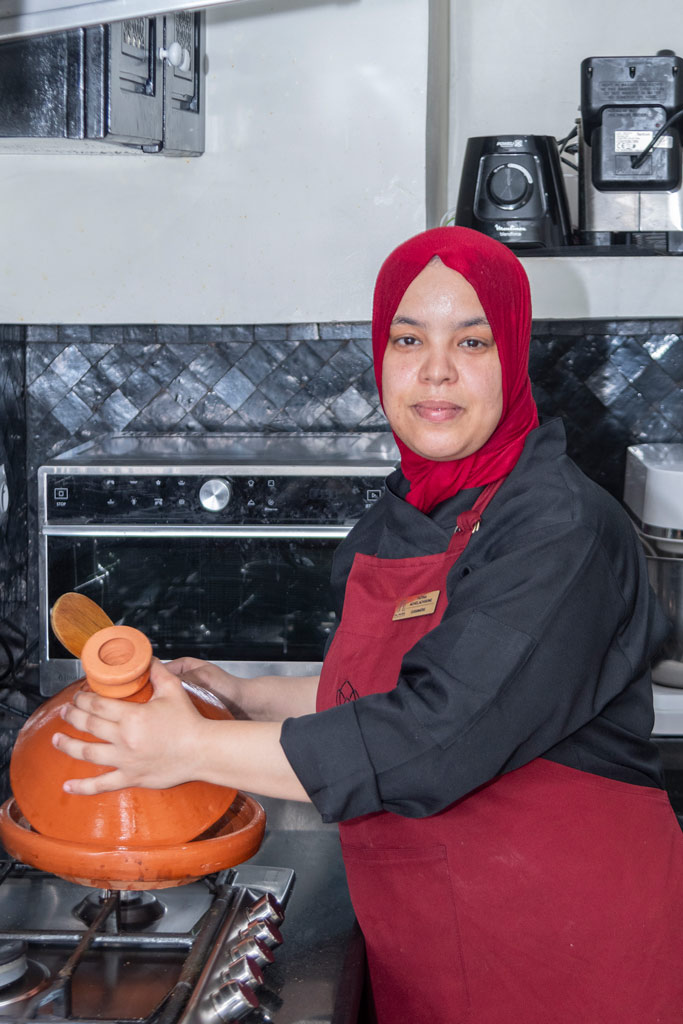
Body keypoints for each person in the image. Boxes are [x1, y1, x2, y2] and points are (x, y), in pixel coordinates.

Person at [53, 227, 683, 1024]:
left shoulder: (558, 529)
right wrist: (246, 696)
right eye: (408, 338)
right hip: (439, 951)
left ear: (513, 354)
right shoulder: (423, 505)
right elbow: (395, 687)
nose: (436, 370)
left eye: (473, 341)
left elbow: (434, 735)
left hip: (572, 970)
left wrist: (192, 748)